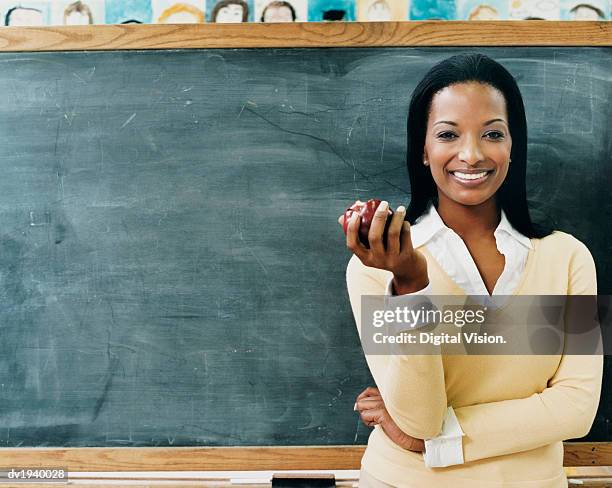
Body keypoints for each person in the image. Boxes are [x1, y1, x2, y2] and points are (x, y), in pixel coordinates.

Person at [338, 53, 603, 487]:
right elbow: (420, 416)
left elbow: (577, 408)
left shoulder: (569, 258)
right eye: (448, 134)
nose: (471, 154)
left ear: (513, 144)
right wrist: (410, 286)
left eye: (492, 134)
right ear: (423, 150)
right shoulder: (375, 267)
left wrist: (445, 440)